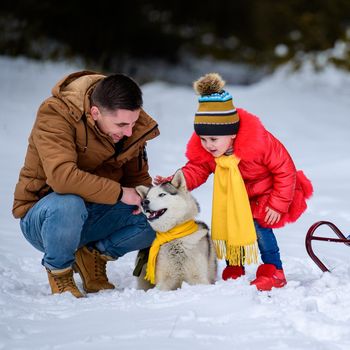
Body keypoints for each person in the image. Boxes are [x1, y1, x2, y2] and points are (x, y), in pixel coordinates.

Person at [155, 73, 313, 291]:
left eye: (213, 139)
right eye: (203, 139)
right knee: (229, 225)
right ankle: (235, 266)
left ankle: (274, 270)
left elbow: (285, 170)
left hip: (266, 194)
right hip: (235, 199)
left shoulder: (260, 143)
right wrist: (174, 182)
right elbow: (197, 168)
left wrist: (278, 204)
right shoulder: (210, 151)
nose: (208, 145)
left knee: (259, 227)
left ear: (231, 134)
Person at [13, 70, 159, 297]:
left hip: (97, 212)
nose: (129, 131)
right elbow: (62, 177)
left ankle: (93, 255)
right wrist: (120, 192)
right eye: (121, 125)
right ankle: (59, 272)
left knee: (157, 217)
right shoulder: (56, 113)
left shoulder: (129, 123)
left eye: (133, 123)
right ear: (95, 112)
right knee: (69, 203)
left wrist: (148, 199)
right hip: (47, 219)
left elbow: (137, 180)